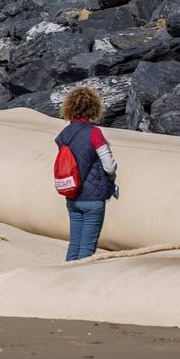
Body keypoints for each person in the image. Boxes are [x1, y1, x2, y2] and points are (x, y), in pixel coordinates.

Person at [56, 86, 118, 261]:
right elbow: (109, 166)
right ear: (93, 108)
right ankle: (77, 283)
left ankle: (65, 279)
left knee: (74, 245)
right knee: (87, 249)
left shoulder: (64, 135)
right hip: (93, 198)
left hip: (72, 196)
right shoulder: (94, 133)